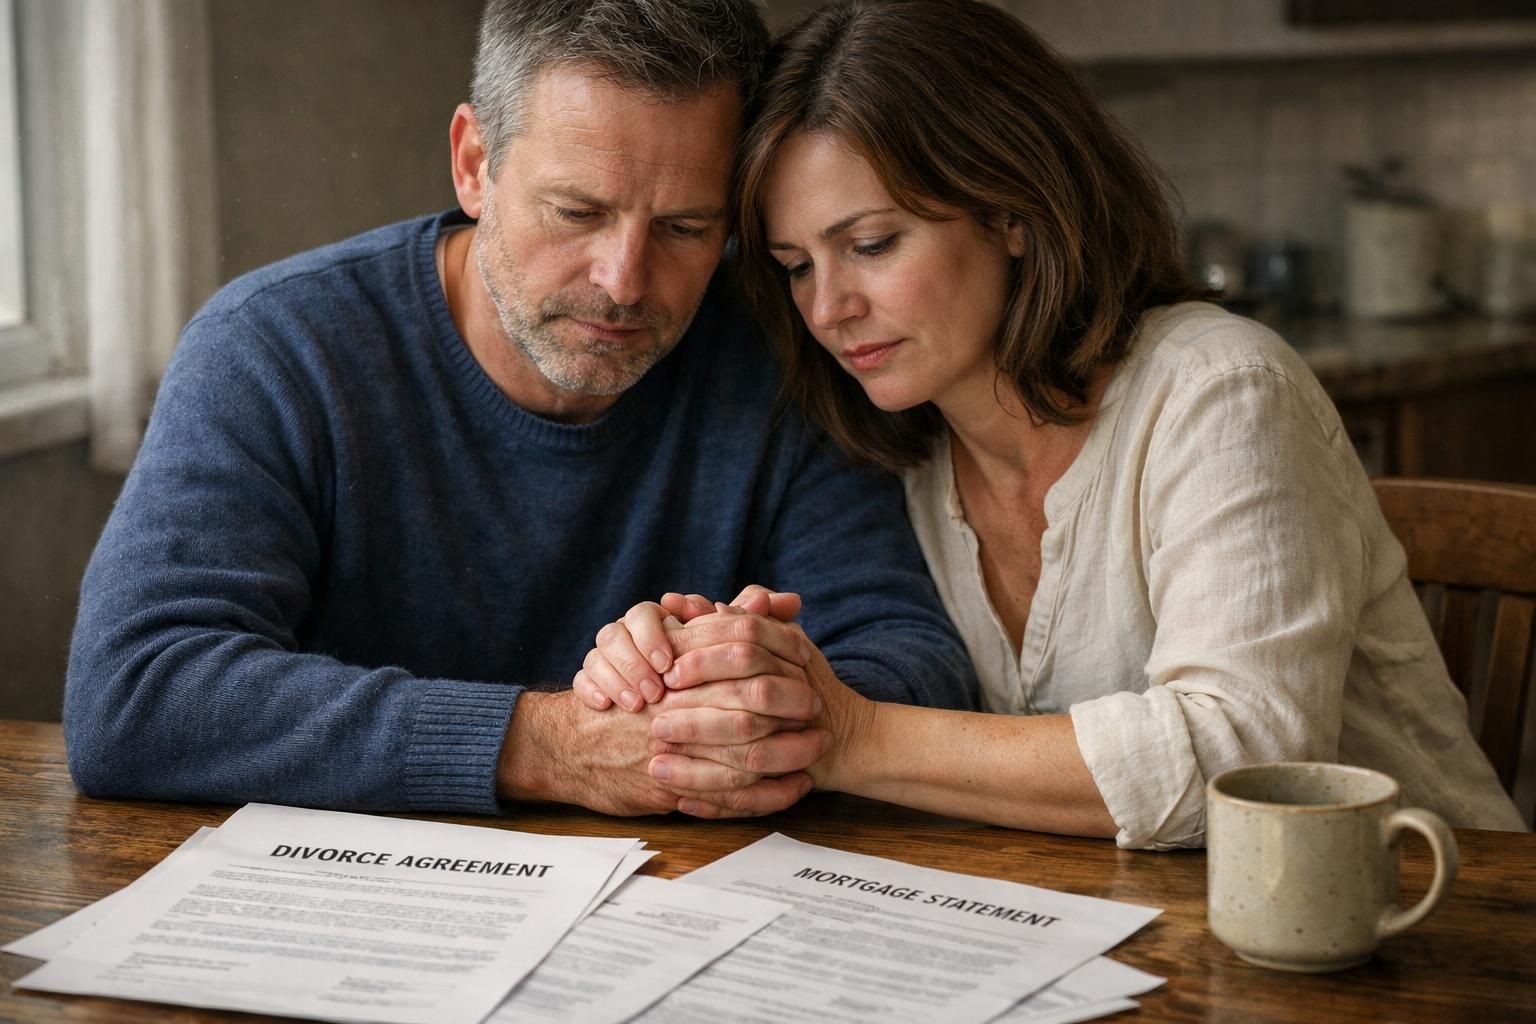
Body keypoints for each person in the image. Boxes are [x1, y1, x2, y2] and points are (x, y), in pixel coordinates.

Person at [579, 0, 1526, 844]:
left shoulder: (1221, 391)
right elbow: (869, 669)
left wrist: (849, 734)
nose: (828, 309)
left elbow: (1241, 763)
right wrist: (703, 664)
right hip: (1155, 943)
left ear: (1013, 210)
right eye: (795, 265)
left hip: (1433, 930)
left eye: (870, 245)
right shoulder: (903, 448)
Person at [62, 0, 976, 820]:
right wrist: (556, 747)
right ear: (474, 164)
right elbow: (134, 695)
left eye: (686, 228)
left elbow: (914, 658)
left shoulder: (778, 349)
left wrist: (744, 683)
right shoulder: (275, 347)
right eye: (577, 211)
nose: (623, 282)